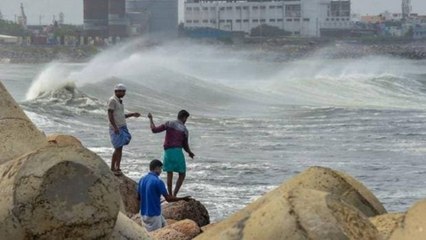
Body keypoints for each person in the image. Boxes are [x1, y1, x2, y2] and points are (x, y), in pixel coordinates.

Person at [148, 110, 195, 197]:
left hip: (168, 152)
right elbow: (185, 145)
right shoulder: (185, 130)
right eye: (186, 118)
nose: (186, 120)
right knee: (182, 174)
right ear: (184, 118)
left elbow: (154, 130)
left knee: (170, 173)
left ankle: (169, 194)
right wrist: (189, 152)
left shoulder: (169, 123)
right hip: (177, 152)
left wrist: (151, 119)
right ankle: (175, 194)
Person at [138, 159, 190, 232]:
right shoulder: (158, 181)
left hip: (143, 214)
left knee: (165, 225)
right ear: (156, 168)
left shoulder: (142, 180)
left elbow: (139, 197)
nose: (161, 171)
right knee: (155, 236)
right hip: (154, 215)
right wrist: (182, 198)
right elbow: (168, 199)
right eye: (160, 168)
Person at [108, 83, 140, 175]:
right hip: (116, 127)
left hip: (122, 126)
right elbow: (110, 115)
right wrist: (114, 127)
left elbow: (121, 116)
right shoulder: (112, 100)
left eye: (124, 91)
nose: (124, 93)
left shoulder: (119, 101)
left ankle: (115, 167)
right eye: (122, 91)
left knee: (119, 148)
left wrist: (133, 114)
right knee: (118, 148)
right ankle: (115, 167)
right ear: (116, 91)